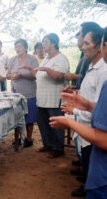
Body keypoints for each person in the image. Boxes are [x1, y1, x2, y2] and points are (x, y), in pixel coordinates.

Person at [50, 26, 107, 199]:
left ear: (102, 46)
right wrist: (88, 105)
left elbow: (104, 139)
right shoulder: (92, 67)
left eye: (86, 43)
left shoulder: (104, 73)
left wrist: (70, 120)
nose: (82, 46)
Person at [24, 33, 70, 158]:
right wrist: (31, 69)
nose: (43, 45)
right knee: (43, 123)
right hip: (42, 99)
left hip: (54, 99)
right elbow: (38, 75)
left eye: (46, 42)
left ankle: (58, 148)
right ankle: (48, 144)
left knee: (56, 124)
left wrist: (46, 69)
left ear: (54, 43)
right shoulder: (47, 58)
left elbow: (58, 76)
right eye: (43, 42)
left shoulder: (61, 58)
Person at [7, 38, 39, 147]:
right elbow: (7, 75)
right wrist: (12, 76)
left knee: (29, 118)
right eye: (16, 47)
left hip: (29, 92)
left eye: (20, 46)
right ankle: (18, 138)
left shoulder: (32, 59)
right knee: (18, 117)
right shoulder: (12, 60)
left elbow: (35, 75)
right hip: (16, 93)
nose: (17, 49)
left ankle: (28, 139)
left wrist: (21, 75)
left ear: (25, 47)